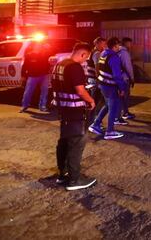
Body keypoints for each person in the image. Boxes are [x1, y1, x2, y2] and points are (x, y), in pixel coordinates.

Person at [51, 42, 97, 191]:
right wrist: (90, 100)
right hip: (75, 112)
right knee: (76, 143)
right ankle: (74, 180)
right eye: (86, 58)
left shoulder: (60, 64)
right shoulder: (75, 67)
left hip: (63, 110)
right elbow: (80, 90)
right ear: (83, 54)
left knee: (64, 141)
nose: (85, 61)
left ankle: (62, 174)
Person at [88, 37, 126, 140]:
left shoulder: (103, 54)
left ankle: (96, 124)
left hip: (103, 85)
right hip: (111, 86)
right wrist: (122, 88)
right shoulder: (114, 57)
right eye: (118, 45)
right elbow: (117, 75)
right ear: (114, 46)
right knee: (113, 108)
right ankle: (110, 131)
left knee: (107, 106)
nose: (119, 47)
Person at [20, 41, 51, 113]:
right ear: (33, 46)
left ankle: (42, 106)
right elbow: (24, 66)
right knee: (28, 91)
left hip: (44, 75)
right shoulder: (29, 55)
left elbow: (50, 59)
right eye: (37, 45)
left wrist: (49, 48)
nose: (39, 46)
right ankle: (24, 106)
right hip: (32, 76)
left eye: (40, 45)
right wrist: (23, 76)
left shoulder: (45, 53)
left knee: (44, 91)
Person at [86, 37, 106, 123]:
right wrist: (99, 79)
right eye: (103, 43)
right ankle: (93, 120)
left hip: (91, 78)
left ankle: (91, 118)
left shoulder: (92, 52)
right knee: (96, 101)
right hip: (95, 79)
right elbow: (97, 66)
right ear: (97, 43)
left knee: (94, 99)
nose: (104, 45)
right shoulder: (97, 53)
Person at [117, 37, 135, 122]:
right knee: (124, 96)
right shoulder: (124, 53)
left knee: (121, 97)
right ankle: (122, 114)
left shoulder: (118, 51)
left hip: (118, 77)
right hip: (124, 78)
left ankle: (125, 113)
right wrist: (132, 78)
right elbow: (128, 67)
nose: (131, 45)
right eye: (130, 43)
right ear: (126, 43)